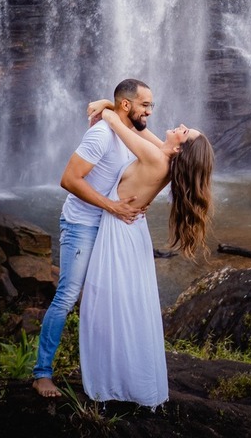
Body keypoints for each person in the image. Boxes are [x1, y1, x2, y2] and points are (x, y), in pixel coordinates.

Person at [77, 101, 215, 407]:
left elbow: (117, 124)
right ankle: (130, 375)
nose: (179, 125)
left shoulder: (155, 157)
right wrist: (111, 103)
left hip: (119, 229)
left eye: (184, 131)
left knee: (108, 303)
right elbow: (140, 128)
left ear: (180, 148)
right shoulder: (164, 156)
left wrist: (109, 109)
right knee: (130, 304)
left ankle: (113, 381)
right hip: (132, 230)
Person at [31, 78, 157, 399]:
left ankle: (103, 372)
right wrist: (112, 206)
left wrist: (106, 104)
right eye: (145, 105)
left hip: (110, 229)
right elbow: (68, 179)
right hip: (82, 225)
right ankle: (42, 373)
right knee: (68, 295)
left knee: (106, 300)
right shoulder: (101, 134)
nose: (150, 113)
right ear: (127, 106)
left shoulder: (128, 135)